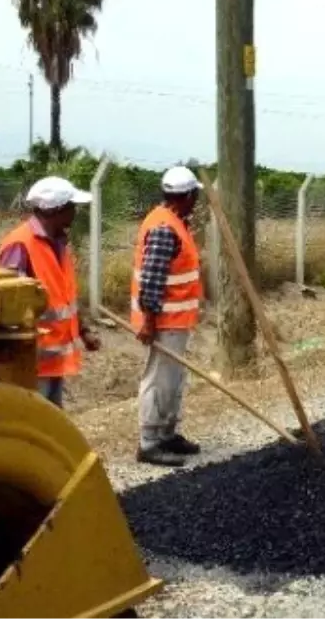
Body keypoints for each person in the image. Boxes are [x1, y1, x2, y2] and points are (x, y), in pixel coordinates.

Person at [0, 176, 101, 407]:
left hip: (51, 361)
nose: (75, 212)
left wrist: (83, 331)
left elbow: (64, 296)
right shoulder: (20, 245)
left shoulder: (58, 244)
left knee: (50, 430)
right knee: (31, 431)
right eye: (72, 207)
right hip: (29, 364)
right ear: (57, 209)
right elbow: (8, 309)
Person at [129, 166, 205, 467]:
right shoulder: (164, 228)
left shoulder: (176, 222)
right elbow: (151, 280)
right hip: (162, 322)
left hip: (177, 320)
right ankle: (149, 442)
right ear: (186, 196)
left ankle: (168, 433)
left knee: (173, 378)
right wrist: (148, 321)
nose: (197, 200)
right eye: (195, 195)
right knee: (159, 379)